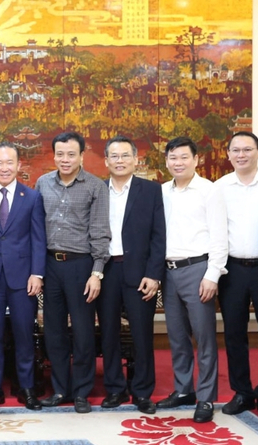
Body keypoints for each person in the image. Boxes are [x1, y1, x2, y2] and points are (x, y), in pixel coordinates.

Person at [35, 131, 110, 413]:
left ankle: (81, 391)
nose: (65, 159)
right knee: (53, 331)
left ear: (81, 155)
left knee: (82, 331)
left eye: (71, 154)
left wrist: (97, 272)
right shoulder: (42, 183)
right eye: (60, 154)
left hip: (81, 266)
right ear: (54, 155)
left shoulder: (94, 187)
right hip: (50, 265)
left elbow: (101, 233)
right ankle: (59, 389)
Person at [156, 136, 227, 423]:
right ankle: (183, 389)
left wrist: (213, 275)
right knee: (177, 336)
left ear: (195, 160)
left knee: (204, 337)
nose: (178, 162)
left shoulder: (209, 191)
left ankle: (206, 397)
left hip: (198, 270)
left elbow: (220, 236)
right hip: (167, 272)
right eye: (173, 158)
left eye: (184, 157)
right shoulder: (161, 192)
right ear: (166, 161)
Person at [0, 142, 45, 411]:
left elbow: (39, 238)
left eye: (9, 162)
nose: (4, 167)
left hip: (23, 277)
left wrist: (37, 273)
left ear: (19, 165)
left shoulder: (32, 197)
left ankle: (26, 388)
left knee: (24, 333)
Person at [97, 136, 166, 414]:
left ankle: (142, 391)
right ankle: (114, 388)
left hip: (139, 272)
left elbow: (159, 235)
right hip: (106, 269)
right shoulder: (97, 190)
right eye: (114, 156)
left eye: (125, 155)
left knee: (141, 333)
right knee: (109, 332)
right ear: (106, 161)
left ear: (136, 159)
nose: (120, 160)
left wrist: (154, 274)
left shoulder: (151, 191)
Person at [214, 132, 258, 420]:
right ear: (228, 154)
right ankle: (242, 392)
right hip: (233, 269)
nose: (241, 155)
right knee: (234, 334)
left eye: (247, 150)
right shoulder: (220, 187)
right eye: (235, 150)